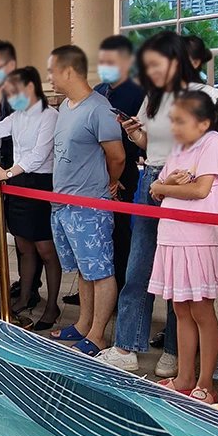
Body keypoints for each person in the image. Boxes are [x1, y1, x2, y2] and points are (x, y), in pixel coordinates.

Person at [98, 31, 218, 374]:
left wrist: (211, 159)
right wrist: (133, 134)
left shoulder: (204, 94)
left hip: (186, 187)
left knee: (181, 272)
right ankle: (127, 345)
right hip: (154, 179)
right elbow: (149, 142)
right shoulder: (153, 98)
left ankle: (175, 351)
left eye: (155, 64)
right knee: (141, 264)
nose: (150, 71)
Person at [147, 91, 218, 403]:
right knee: (180, 309)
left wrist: (163, 186)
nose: (174, 127)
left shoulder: (210, 141)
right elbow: (159, 190)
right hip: (171, 234)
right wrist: (163, 186)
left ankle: (206, 382)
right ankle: (184, 376)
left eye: (180, 121)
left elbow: (200, 189)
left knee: (201, 310)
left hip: (198, 237)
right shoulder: (178, 147)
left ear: (204, 122)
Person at [45, 46, 125, 356]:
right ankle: (83, 325)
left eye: (52, 71)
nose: (49, 77)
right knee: (83, 269)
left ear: (68, 71)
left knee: (100, 270)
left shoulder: (99, 108)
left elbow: (116, 156)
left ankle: (98, 334)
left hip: (90, 204)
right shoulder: (66, 106)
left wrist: (108, 182)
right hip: (63, 205)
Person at [0, 67, 61, 327]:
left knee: (46, 249)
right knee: (23, 245)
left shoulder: (50, 115)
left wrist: (7, 172)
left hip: (39, 182)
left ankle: (52, 305)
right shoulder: (17, 115)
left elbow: (39, 154)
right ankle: (26, 297)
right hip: (16, 180)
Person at [93, 35, 145, 293]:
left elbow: (139, 135)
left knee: (119, 232)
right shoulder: (99, 91)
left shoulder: (138, 93)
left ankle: (119, 288)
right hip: (95, 172)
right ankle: (97, 287)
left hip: (122, 171)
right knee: (98, 231)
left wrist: (117, 176)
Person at [0, 39, 31, 300]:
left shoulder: (23, 95)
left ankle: (29, 287)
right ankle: (24, 284)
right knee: (14, 231)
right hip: (6, 170)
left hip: (25, 172)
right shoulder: (0, 95)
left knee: (30, 239)